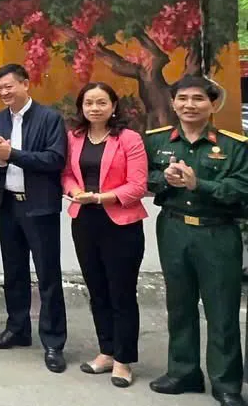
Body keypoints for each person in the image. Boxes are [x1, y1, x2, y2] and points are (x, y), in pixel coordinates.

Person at [145, 75, 248, 406]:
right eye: (183, 98)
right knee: (179, 304)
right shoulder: (158, 141)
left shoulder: (234, 145)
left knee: (221, 309)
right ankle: (183, 372)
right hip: (174, 229)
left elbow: (241, 189)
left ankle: (226, 382)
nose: (189, 105)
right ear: (173, 103)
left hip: (217, 232)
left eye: (198, 99)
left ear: (212, 103)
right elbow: (143, 177)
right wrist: (165, 178)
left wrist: (198, 184)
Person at [0, 63, 68, 373]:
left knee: (47, 276)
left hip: (40, 207)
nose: (5, 92)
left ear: (25, 84)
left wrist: (12, 154)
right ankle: (17, 329)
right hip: (9, 206)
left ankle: (54, 342)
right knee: (14, 272)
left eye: (9, 86)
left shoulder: (49, 118)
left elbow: (55, 159)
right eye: (0, 88)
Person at [61, 82, 147, 388]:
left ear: (113, 106)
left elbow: (137, 184)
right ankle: (106, 351)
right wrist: (75, 191)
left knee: (121, 292)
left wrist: (100, 197)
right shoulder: (74, 137)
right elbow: (67, 173)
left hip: (121, 223)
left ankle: (124, 360)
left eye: (101, 103)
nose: (94, 108)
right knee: (96, 289)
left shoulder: (128, 138)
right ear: (81, 107)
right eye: (88, 103)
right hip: (84, 221)